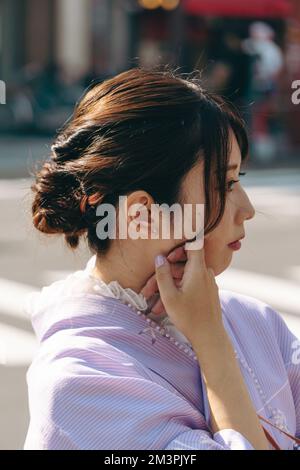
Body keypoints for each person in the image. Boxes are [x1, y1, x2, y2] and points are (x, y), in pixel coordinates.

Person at [23, 68, 300, 450]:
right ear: (141, 215)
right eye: (225, 184)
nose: (247, 209)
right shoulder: (80, 384)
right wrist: (213, 345)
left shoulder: (255, 321)